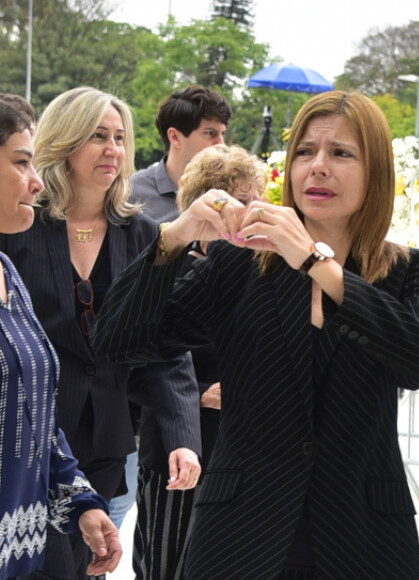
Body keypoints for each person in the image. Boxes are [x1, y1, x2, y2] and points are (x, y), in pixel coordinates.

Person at [93, 90, 419, 579]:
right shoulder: (239, 265)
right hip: (240, 536)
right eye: (305, 151)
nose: (317, 167)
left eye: (341, 153)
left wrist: (316, 264)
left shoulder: (407, 270)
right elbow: (118, 342)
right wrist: (171, 240)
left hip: (364, 540)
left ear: (377, 172)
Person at [0, 87, 201, 580]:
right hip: (23, 438)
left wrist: (181, 435)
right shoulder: (19, 220)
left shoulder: (143, 234)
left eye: (119, 137)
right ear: (64, 142)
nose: (113, 148)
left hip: (105, 437)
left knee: (84, 563)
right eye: (97, 136)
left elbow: (164, 345)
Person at [0, 102, 121, 579]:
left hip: (24, 555)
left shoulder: (8, 273)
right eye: (21, 162)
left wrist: (81, 504)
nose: (37, 181)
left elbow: (33, 418)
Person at [127, 87, 231, 580]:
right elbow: (139, 333)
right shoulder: (134, 206)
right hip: (164, 426)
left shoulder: (257, 262)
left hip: (231, 444)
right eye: (210, 132)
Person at [131, 85, 232, 222]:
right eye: (210, 133)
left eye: (222, 134)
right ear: (175, 137)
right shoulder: (132, 194)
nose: (221, 144)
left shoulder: (232, 189)